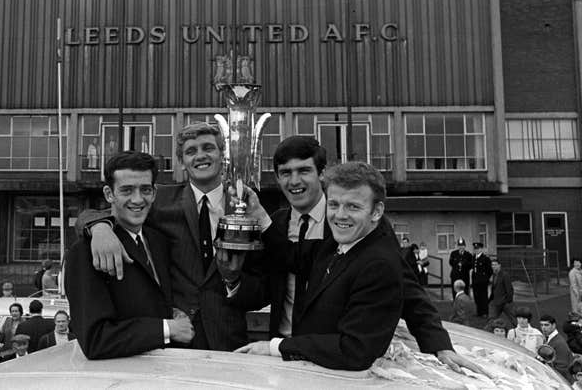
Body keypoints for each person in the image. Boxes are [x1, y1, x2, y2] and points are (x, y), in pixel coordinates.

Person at [82, 135, 485, 374]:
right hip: (273, 348)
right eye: (286, 174)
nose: (295, 181)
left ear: (321, 175)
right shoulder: (269, 221)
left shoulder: (351, 224)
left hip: (333, 355)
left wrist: (437, 342)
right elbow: (122, 206)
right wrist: (96, 225)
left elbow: (407, 289)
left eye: (304, 171)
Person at [76, 123, 265, 352]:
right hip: (173, 343)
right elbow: (115, 209)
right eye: (191, 151)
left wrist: (233, 282)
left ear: (221, 154)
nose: (200, 156)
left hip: (228, 342)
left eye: (208, 148)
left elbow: (264, 286)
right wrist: (98, 229)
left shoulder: (244, 207)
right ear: (181, 161)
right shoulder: (159, 200)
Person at [234, 162, 404, 370]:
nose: (340, 215)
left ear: (376, 212)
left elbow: (354, 350)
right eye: (333, 205)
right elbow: (294, 259)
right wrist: (259, 216)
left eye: (353, 206)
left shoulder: (379, 266)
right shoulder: (336, 241)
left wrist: (277, 347)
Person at [66, 151, 194, 359]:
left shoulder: (158, 240)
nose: (137, 199)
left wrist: (172, 312)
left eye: (145, 190)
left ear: (154, 193)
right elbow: (95, 340)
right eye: (126, 190)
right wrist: (167, 328)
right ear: (109, 194)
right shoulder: (85, 251)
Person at [540, 314, 574, 382]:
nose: (543, 328)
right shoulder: (548, 339)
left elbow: (562, 368)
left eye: (546, 325)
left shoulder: (559, 343)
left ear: (554, 325)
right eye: (541, 325)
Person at [488, 258, 515, 326]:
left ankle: (521, 331)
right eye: (492, 265)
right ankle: (488, 332)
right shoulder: (494, 275)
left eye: (495, 265)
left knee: (513, 319)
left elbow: (509, 289)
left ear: (499, 265)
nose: (493, 266)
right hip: (496, 302)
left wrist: (508, 300)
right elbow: (494, 288)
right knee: (492, 319)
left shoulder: (505, 275)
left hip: (505, 303)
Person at [471, 242, 492, 317]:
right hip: (475, 280)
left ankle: (485, 312)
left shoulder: (485, 258)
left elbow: (489, 270)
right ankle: (479, 312)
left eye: (478, 248)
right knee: (476, 296)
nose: (476, 250)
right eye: (475, 249)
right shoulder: (473, 257)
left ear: (481, 249)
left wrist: (486, 278)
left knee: (483, 296)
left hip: (483, 281)